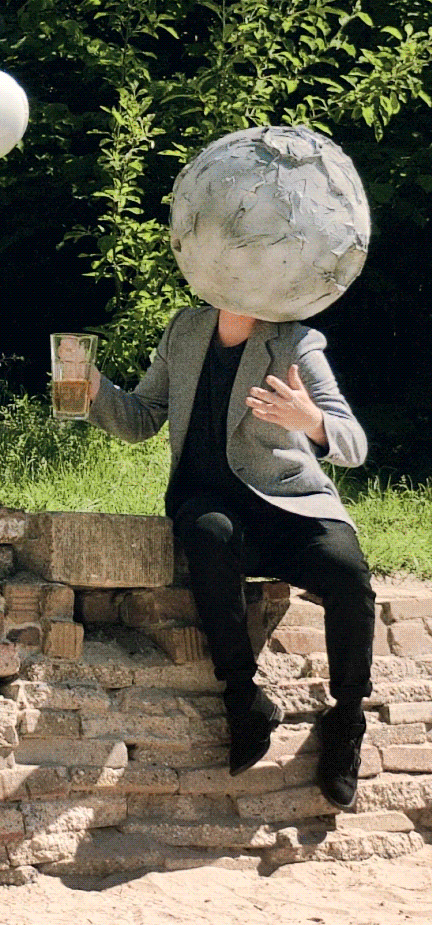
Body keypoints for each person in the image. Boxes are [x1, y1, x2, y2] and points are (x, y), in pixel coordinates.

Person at [86, 306, 374, 806]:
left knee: (349, 573)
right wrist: (93, 387)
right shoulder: (185, 329)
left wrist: (312, 422)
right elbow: (142, 418)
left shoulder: (296, 342)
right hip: (212, 504)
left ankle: (347, 718)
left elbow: (355, 445)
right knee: (208, 533)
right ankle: (244, 700)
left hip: (290, 506)